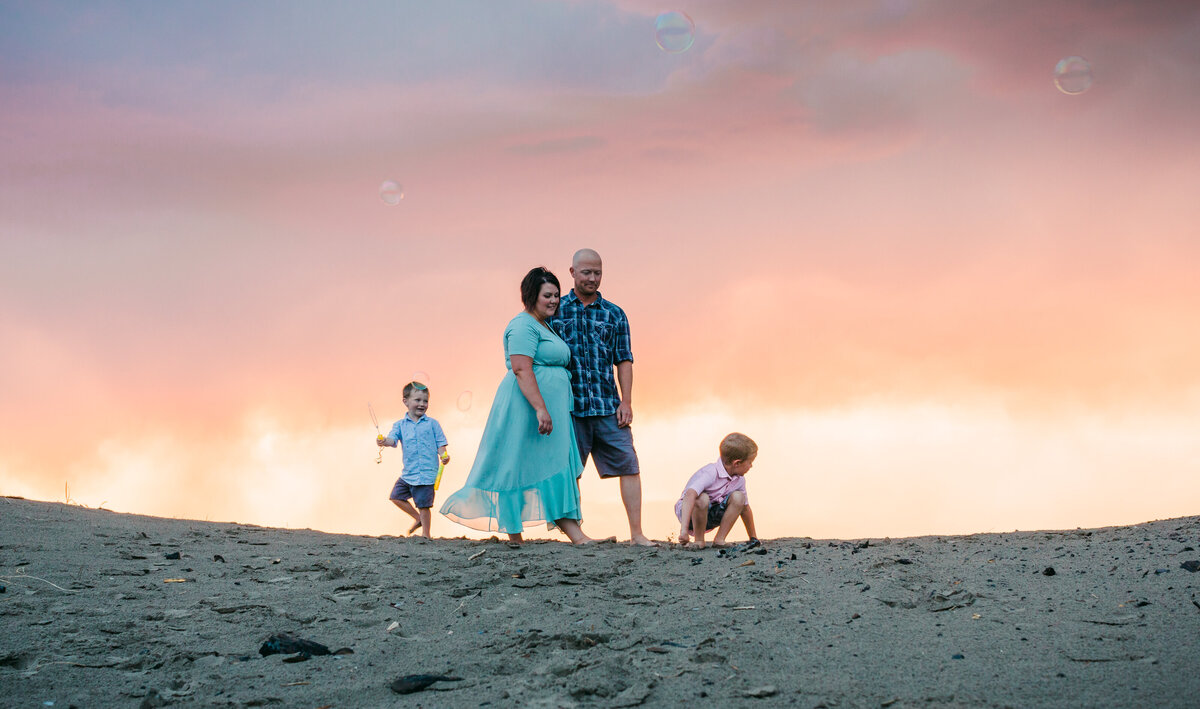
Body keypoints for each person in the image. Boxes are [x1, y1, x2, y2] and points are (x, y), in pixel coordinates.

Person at [440, 267, 593, 545]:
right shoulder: (522, 325)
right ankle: (514, 534)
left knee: (557, 464)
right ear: (531, 296)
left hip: (549, 409)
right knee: (514, 465)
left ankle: (576, 534)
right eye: (547, 295)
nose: (554, 300)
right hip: (524, 408)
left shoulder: (545, 326)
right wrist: (540, 408)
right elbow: (522, 369)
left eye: (557, 295)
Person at [550, 248, 655, 546]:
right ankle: (578, 535)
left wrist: (627, 401)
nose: (592, 278)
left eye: (597, 272)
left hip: (608, 405)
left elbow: (624, 359)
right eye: (586, 272)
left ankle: (637, 534)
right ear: (572, 273)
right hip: (570, 407)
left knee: (629, 464)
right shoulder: (556, 310)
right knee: (569, 472)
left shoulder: (615, 314)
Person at [377, 382, 449, 538]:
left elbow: (441, 444)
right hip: (408, 473)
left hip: (427, 473)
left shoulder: (432, 424)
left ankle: (426, 535)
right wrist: (384, 441)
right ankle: (417, 518)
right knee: (395, 496)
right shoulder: (400, 425)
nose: (422, 404)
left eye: (425, 401)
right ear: (406, 401)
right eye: (417, 400)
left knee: (424, 505)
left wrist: (444, 455)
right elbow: (392, 440)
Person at [675, 432, 759, 549]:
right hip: (689, 515)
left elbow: (745, 508)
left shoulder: (739, 480)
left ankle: (719, 540)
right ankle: (699, 541)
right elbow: (690, 495)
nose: (751, 466)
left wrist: (753, 538)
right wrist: (683, 530)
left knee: (739, 497)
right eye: (750, 462)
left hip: (712, 512)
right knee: (702, 498)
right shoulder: (710, 472)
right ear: (737, 463)